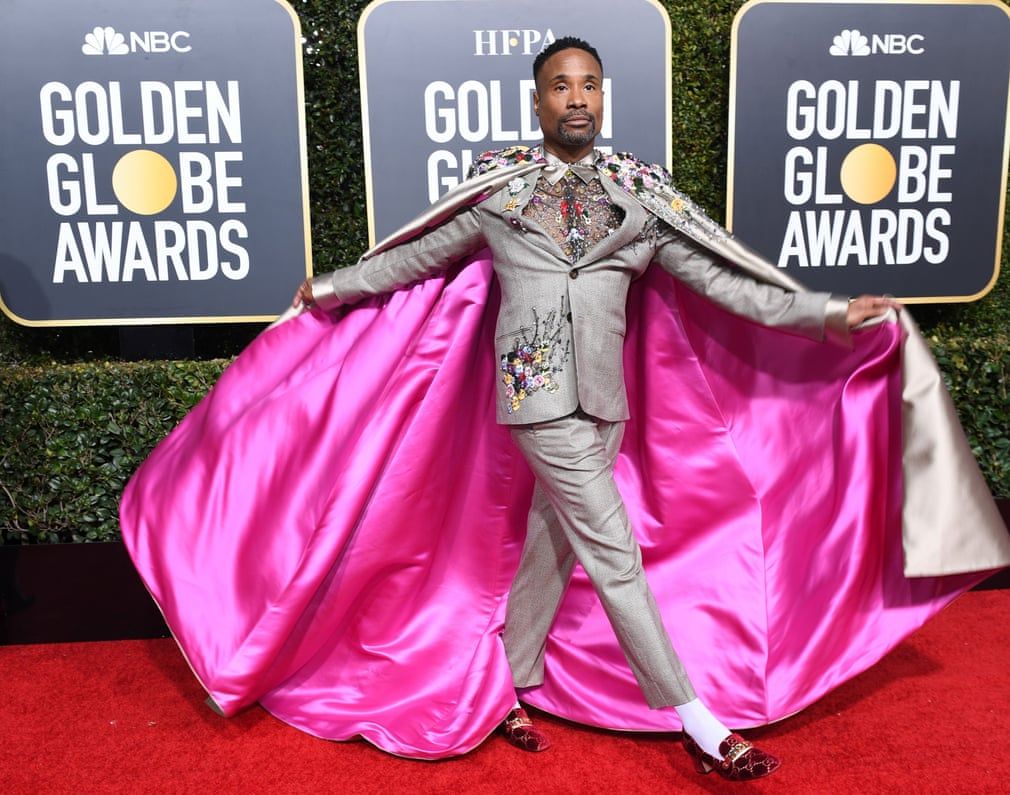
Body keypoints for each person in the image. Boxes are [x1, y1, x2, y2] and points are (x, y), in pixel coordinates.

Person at [291, 36, 899, 780]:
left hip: (606, 399)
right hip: (536, 389)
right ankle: (698, 721)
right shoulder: (499, 186)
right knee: (615, 552)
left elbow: (722, 280)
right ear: (538, 99)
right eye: (560, 85)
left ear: (602, 98)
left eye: (589, 85)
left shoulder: (638, 190)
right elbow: (414, 256)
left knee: (557, 540)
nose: (576, 98)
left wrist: (829, 314)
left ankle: (506, 682)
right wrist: (330, 287)